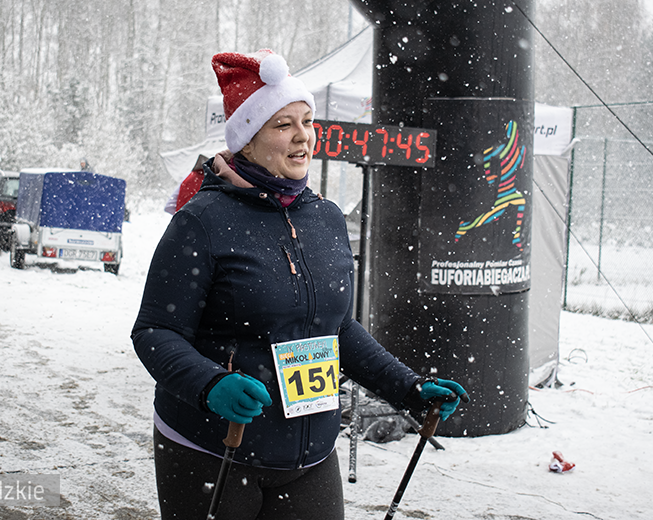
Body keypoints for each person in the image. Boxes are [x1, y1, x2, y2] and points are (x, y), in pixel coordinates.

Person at [131, 49, 467, 520]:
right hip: (212, 447)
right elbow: (155, 331)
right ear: (248, 139)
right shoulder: (202, 221)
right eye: (283, 124)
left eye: (307, 122)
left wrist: (409, 388)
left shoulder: (325, 217)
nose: (303, 136)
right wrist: (211, 384)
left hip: (310, 455)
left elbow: (336, 329)